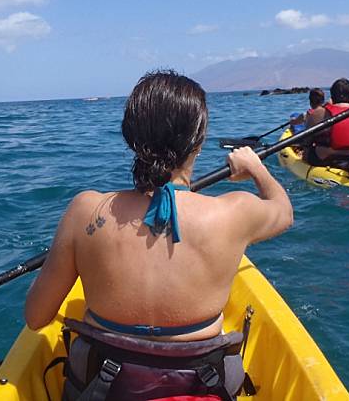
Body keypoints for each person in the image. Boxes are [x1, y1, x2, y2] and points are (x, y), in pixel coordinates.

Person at [24, 70, 293, 400]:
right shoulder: (234, 213)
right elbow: (283, 211)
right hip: (202, 388)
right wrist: (256, 168)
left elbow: (37, 318)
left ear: (130, 136)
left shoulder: (85, 211)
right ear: (198, 140)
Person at [306, 78, 349, 178]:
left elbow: (307, 140)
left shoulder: (318, 113)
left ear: (332, 96)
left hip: (326, 157)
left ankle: (347, 164)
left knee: (308, 150)